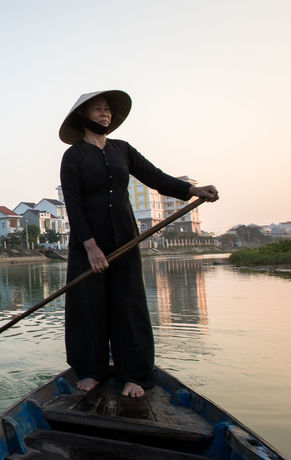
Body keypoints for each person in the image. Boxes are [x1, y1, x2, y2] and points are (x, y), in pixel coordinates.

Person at [58, 90, 219, 397]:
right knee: (88, 306)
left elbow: (155, 177)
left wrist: (194, 190)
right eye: (97, 109)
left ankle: (134, 373)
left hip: (125, 240)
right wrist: (91, 248)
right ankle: (91, 371)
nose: (105, 113)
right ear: (83, 116)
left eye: (107, 109)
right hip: (87, 244)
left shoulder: (122, 150)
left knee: (128, 304)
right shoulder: (73, 156)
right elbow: (74, 205)